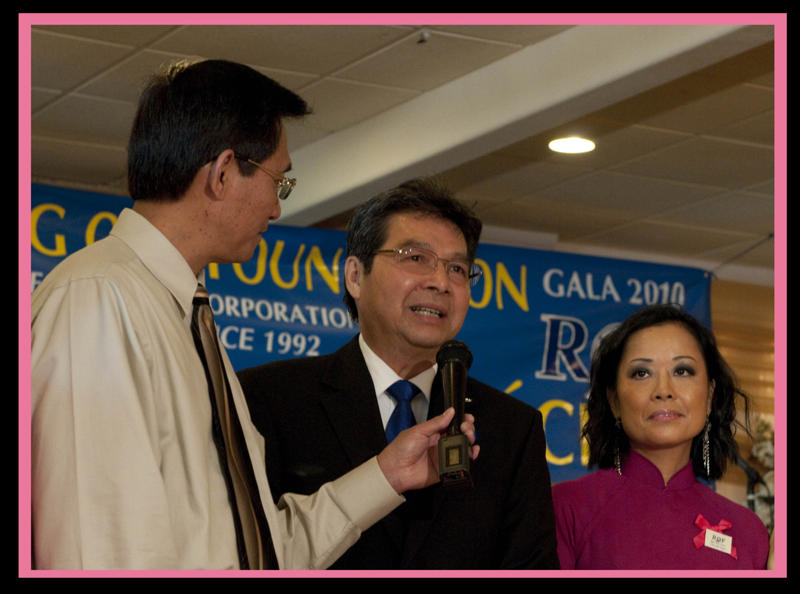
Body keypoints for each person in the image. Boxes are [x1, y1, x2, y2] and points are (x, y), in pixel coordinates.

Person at [30, 59, 477, 571]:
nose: (276, 208)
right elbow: (95, 549)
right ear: (223, 173)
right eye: (278, 181)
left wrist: (387, 475)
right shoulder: (99, 301)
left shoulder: (183, 316)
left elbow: (258, 551)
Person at [238, 177, 560, 569]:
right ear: (355, 276)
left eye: (457, 269)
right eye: (416, 258)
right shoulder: (266, 398)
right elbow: (246, 551)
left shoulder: (511, 428)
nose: (440, 282)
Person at [551, 304, 770, 569]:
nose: (664, 390)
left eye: (682, 371)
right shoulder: (566, 507)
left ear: (709, 396)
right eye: (642, 373)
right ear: (614, 401)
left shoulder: (749, 532)